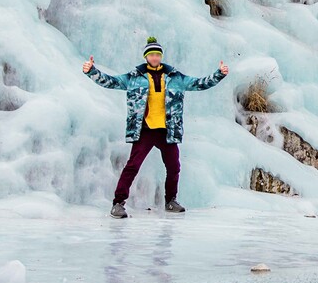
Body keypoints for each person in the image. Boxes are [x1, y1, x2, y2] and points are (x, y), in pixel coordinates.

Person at [84, 36, 228, 218]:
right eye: (151, 54)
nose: (154, 57)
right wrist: (92, 71)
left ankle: (170, 201)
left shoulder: (175, 78)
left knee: (174, 167)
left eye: (157, 54)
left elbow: (199, 84)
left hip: (167, 131)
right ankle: (118, 203)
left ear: (160, 56)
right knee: (133, 166)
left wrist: (219, 73)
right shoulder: (134, 78)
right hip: (144, 130)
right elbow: (111, 81)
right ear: (146, 57)